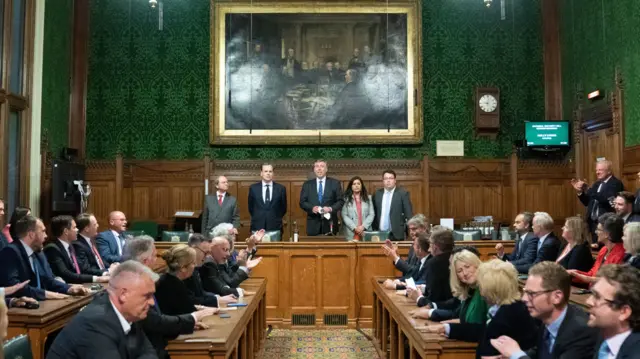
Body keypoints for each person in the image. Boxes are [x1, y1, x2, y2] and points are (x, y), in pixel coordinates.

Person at [122, 236, 218, 359]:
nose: (157, 260)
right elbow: (155, 322)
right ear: (146, 261)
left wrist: (189, 321)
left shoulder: (146, 281)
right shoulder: (135, 285)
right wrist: (193, 317)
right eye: (155, 256)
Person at [424, 259, 537, 358]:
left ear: (492, 289)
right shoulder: (506, 308)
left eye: (482, 286)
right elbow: (482, 330)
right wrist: (449, 328)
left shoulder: (509, 314)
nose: (481, 291)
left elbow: (490, 346)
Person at [46, 261, 159, 359]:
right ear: (123, 294)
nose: (152, 302)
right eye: (147, 296)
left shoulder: (130, 314)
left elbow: (148, 353)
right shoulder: (95, 323)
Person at [490, 262, 598, 359]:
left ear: (556, 297)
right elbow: (540, 352)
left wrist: (517, 355)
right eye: (525, 292)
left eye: (531, 294)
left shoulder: (581, 331)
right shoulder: (546, 318)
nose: (524, 299)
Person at [0, 215, 89, 300]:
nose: (46, 235)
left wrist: (69, 288)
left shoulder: (38, 252)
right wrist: (45, 294)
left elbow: (47, 280)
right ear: (31, 234)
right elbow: (14, 287)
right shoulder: (10, 252)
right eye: (43, 231)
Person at [410, 249, 487, 324]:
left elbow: (477, 325)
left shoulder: (484, 290)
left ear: (476, 264)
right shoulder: (469, 289)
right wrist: (447, 328)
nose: (465, 273)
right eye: (459, 271)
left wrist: (449, 329)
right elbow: (461, 317)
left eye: (467, 267)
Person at [586, 264, 640, 359]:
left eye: (597, 297)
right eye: (592, 294)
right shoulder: (604, 332)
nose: (588, 301)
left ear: (624, 312)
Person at [155, 244, 220, 316]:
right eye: (193, 263)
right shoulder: (174, 285)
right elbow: (188, 312)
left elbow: (187, 305)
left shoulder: (169, 279)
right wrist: (206, 311)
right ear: (183, 267)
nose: (195, 266)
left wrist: (203, 308)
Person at [44, 215, 110, 284]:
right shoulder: (52, 249)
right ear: (66, 231)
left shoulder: (71, 247)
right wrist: (97, 279)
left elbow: (80, 269)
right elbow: (65, 274)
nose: (77, 230)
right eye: (74, 227)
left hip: (77, 284)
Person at [571, 160, 624, 244]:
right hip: (592, 223)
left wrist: (588, 189)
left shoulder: (615, 183)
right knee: (595, 249)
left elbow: (605, 199)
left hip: (605, 224)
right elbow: (587, 202)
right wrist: (580, 192)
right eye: (596, 170)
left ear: (609, 171)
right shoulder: (597, 184)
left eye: (600, 170)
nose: (597, 172)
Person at [568, 213, 626, 285]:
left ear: (607, 234)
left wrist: (589, 279)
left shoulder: (621, 254)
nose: (595, 232)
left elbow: (612, 282)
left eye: (598, 229)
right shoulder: (603, 250)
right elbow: (592, 273)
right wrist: (574, 273)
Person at [184, 233, 237, 307]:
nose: (207, 256)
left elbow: (201, 293)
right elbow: (189, 299)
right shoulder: (184, 270)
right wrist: (217, 300)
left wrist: (217, 298)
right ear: (193, 249)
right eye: (205, 253)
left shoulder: (195, 269)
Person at [408, 228, 454, 306]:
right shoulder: (456, 257)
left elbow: (434, 298)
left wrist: (418, 298)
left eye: (430, 244)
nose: (429, 248)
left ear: (435, 247)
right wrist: (423, 288)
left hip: (442, 308)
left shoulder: (433, 263)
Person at [299, 159, 344, 236]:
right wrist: (312, 208)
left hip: (330, 224)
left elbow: (340, 201)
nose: (319, 169)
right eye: (317, 166)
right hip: (313, 225)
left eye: (322, 166)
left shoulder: (335, 183)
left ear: (326, 169)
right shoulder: (307, 185)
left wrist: (330, 208)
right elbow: (302, 202)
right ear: (314, 169)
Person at [373, 170, 414, 240]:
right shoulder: (377, 194)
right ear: (383, 181)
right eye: (386, 178)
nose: (388, 181)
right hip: (380, 233)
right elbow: (374, 212)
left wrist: (411, 230)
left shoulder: (403, 194)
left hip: (397, 234)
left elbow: (409, 214)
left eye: (390, 178)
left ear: (395, 180)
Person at [248, 163, 287, 233]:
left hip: (275, 226)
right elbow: (251, 208)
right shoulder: (253, 188)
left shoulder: (281, 188)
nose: (268, 173)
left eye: (270, 171)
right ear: (261, 173)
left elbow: (283, 208)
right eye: (266, 171)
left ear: (273, 174)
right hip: (257, 226)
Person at [341, 176, 375, 240]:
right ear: (351, 186)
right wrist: (354, 228)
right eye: (354, 184)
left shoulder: (368, 198)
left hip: (365, 231)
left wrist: (363, 227)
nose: (356, 186)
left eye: (358, 184)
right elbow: (344, 215)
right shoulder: (346, 199)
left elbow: (371, 214)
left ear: (361, 186)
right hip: (351, 231)